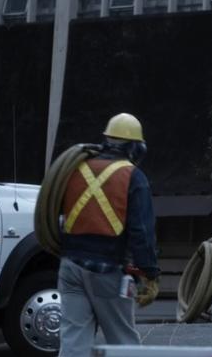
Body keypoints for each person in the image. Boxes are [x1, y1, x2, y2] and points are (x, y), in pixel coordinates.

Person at [57, 113, 160, 357]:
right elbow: (141, 232)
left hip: (70, 267)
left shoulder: (74, 169)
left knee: (74, 341)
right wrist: (150, 274)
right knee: (122, 341)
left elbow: (55, 212)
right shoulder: (133, 176)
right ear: (136, 147)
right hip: (108, 271)